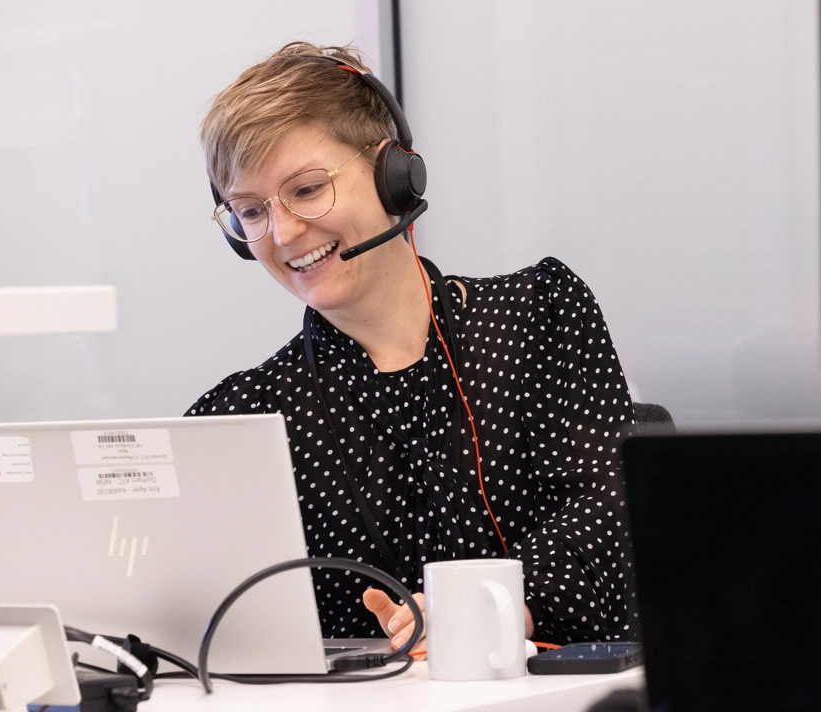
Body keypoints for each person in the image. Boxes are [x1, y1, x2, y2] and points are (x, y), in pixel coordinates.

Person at [188, 42, 638, 657]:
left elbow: (610, 521)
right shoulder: (240, 415)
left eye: (308, 189)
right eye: (251, 211)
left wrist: (484, 607)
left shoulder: (538, 316)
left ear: (393, 174)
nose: (285, 232)